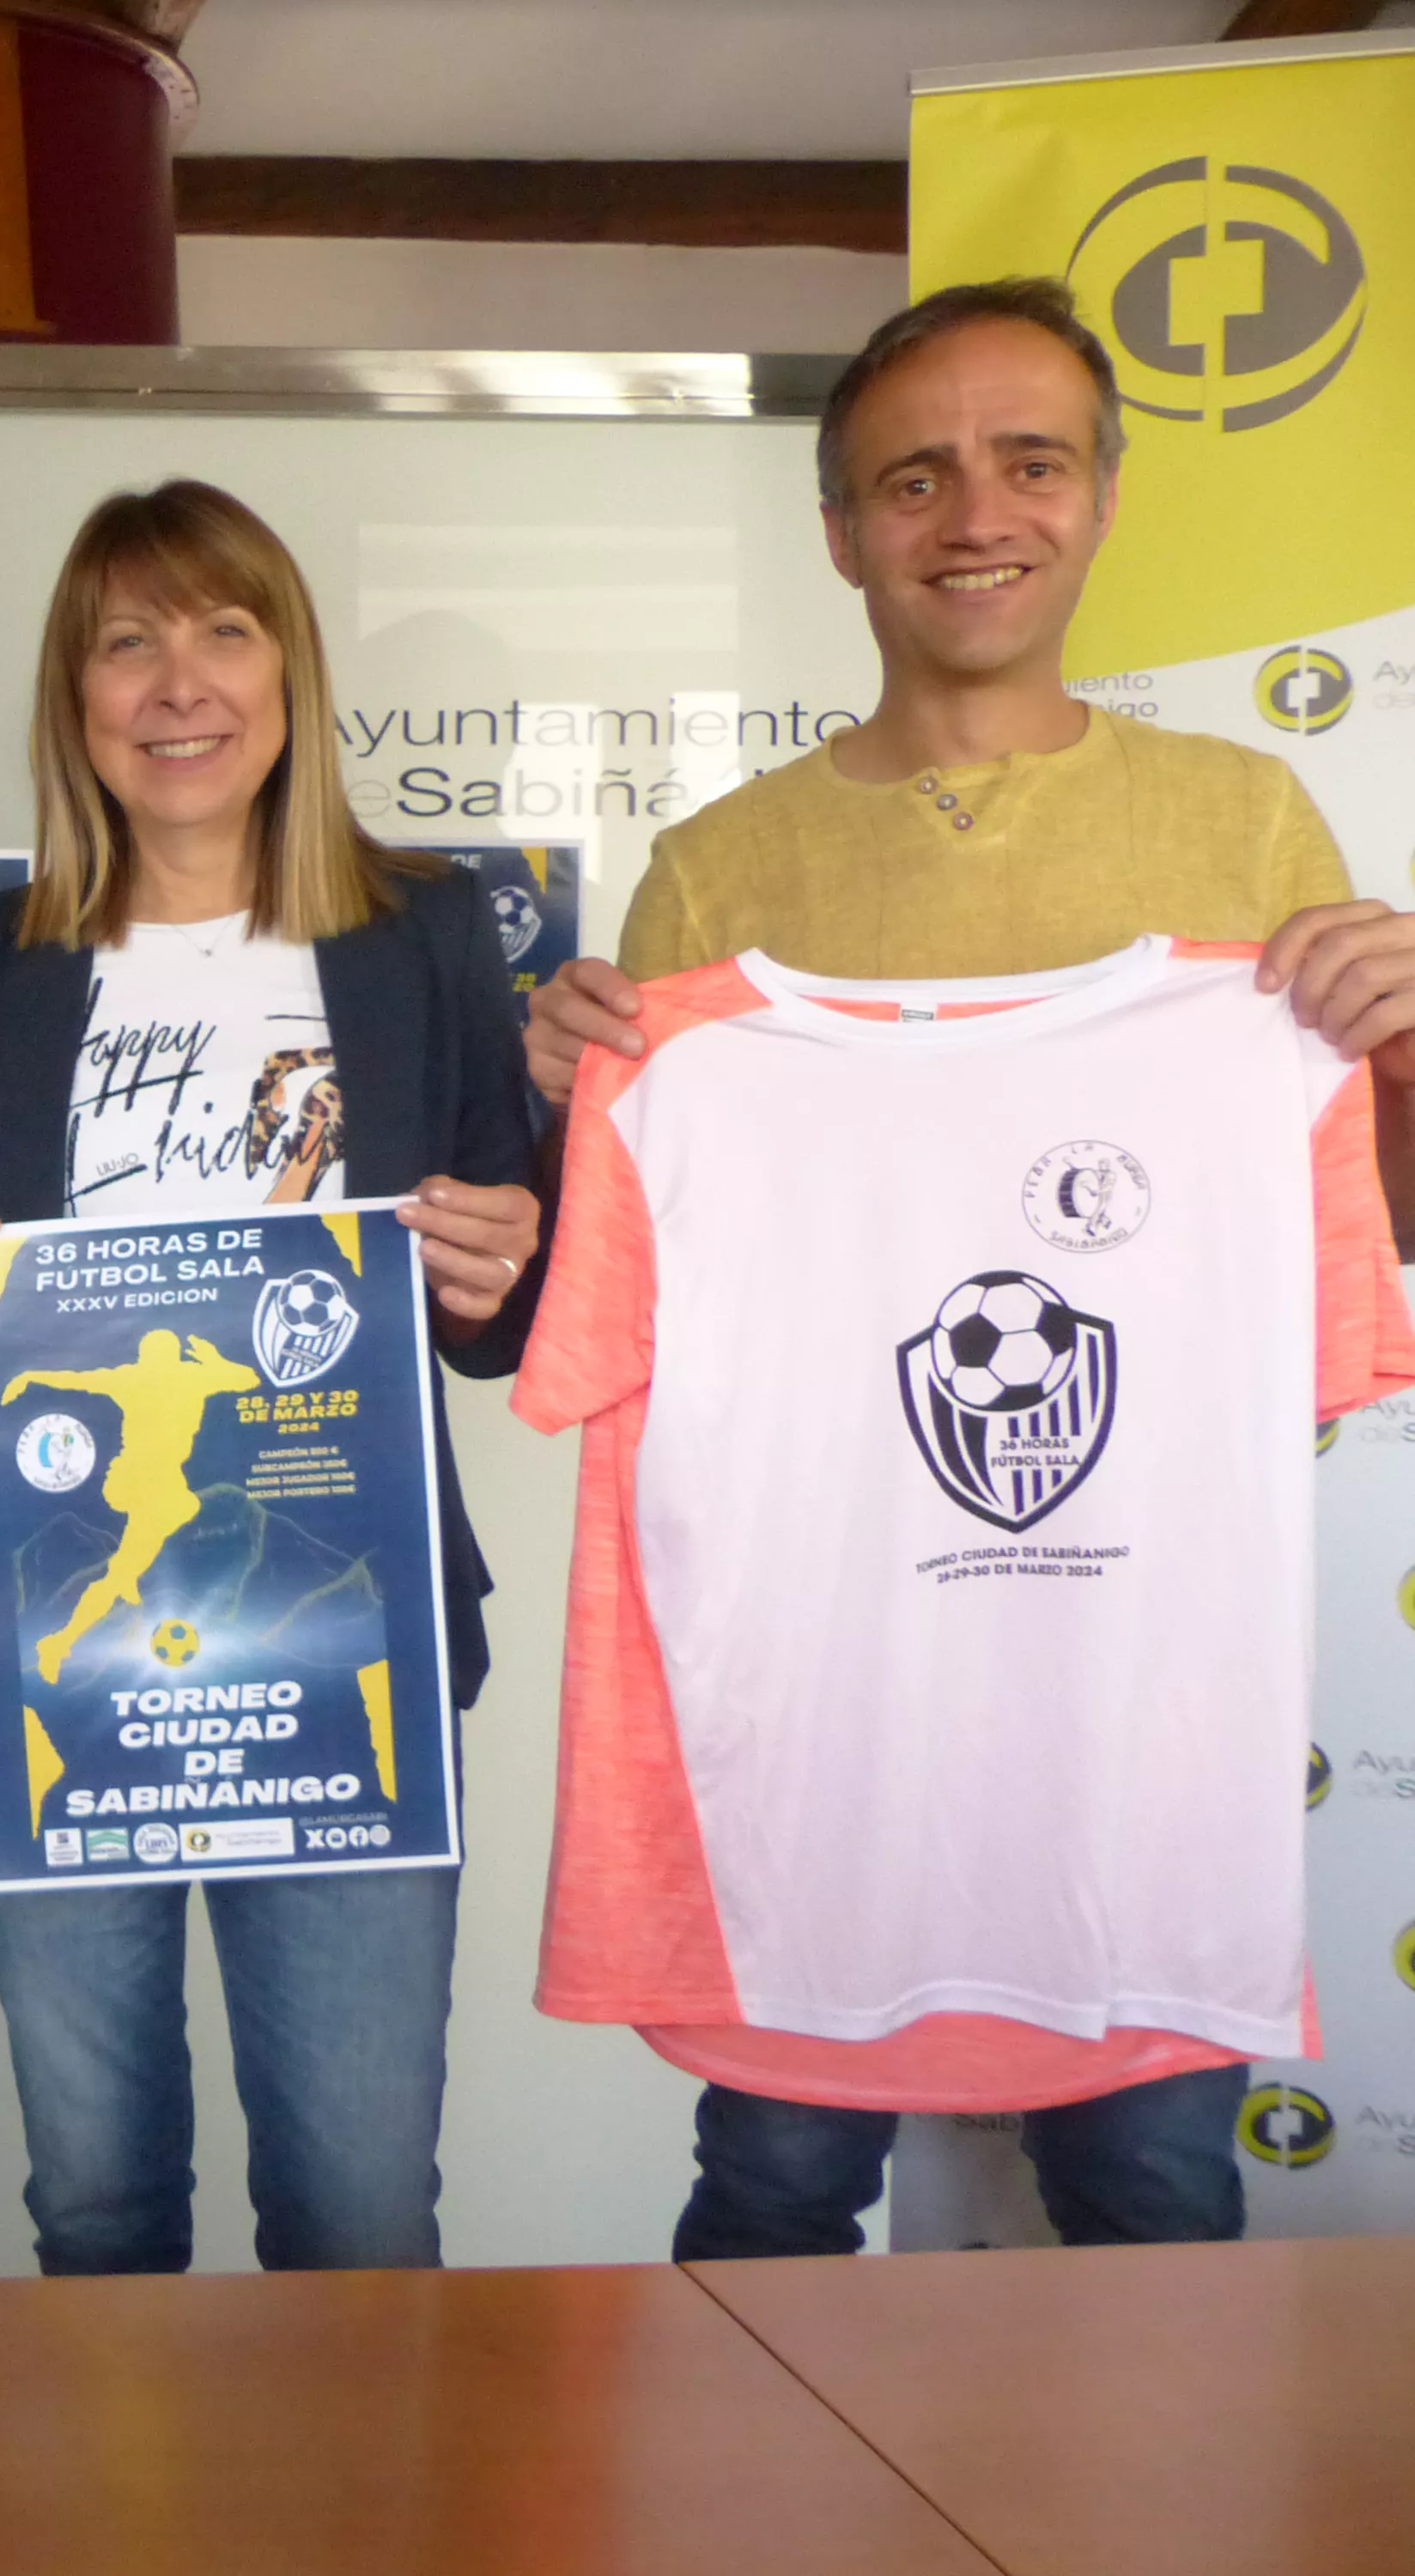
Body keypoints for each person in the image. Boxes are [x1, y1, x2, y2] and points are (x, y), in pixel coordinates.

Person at [525, 276, 1415, 2259]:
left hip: (1130, 1710)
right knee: (767, 2185)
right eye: (909, 477)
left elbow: (1341, 1254)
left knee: (1152, 2188)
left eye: (1027, 461)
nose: (971, 512)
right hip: (813, 1703)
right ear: (838, 530)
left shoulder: (1245, 814)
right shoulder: (710, 872)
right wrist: (574, 1094)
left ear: (1101, 495)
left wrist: (1400, 1046)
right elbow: (623, 1287)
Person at [0, 479, 542, 2275]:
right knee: (93, 2203)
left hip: (345, 1630)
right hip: (40, 1634)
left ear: (289, 671)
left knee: (357, 2207)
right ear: (72, 694)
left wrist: (498, 1267)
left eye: (222, 629)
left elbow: (497, 1315)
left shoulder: (425, 936)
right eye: (125, 639)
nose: (176, 682)